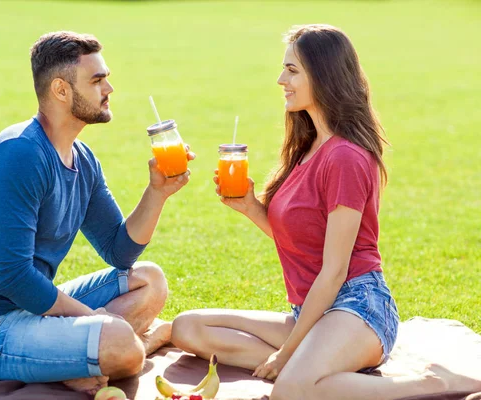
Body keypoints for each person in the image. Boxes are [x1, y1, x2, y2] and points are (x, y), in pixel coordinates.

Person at [171, 24, 481, 399]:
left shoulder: (346, 157)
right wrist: (251, 208)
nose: (280, 79)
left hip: (358, 307)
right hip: (313, 313)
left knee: (291, 390)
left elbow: (334, 271)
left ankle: (434, 382)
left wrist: (287, 353)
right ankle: (314, 365)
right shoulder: (309, 148)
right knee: (187, 328)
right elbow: (305, 242)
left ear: (324, 76)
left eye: (292, 70)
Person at [0, 31, 195, 395]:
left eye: (106, 77)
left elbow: (119, 251)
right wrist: (92, 319)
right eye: (97, 80)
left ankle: (88, 355)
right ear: (61, 90)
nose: (109, 89)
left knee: (149, 280)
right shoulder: (19, 155)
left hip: (33, 308)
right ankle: (116, 349)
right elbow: (11, 277)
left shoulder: (83, 158)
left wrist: (157, 193)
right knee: (119, 342)